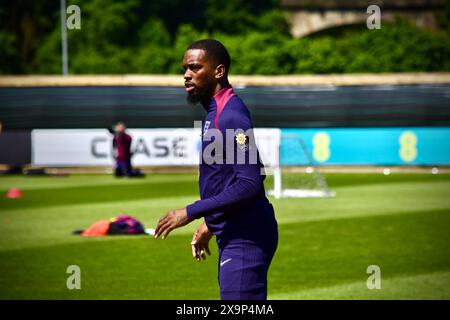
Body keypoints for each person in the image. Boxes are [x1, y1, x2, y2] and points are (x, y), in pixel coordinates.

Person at [154, 39, 278, 300]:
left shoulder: (230, 114)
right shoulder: (214, 112)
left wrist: (190, 212)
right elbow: (240, 173)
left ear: (218, 71)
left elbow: (249, 182)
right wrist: (211, 223)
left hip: (246, 235)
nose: (186, 75)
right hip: (234, 230)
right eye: (185, 69)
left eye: (195, 67)